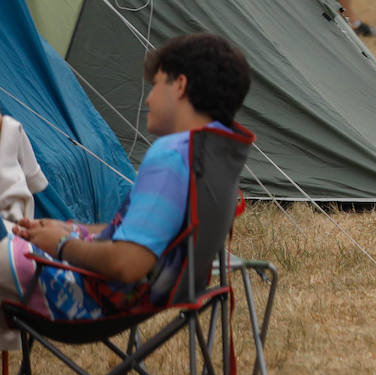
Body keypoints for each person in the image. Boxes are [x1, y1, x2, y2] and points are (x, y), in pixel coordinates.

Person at [0, 33, 250, 323]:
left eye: (156, 85)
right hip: (143, 295)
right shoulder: (211, 153)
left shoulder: (171, 156)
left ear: (180, 85)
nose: (149, 98)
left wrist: (61, 244)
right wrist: (70, 228)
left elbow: (127, 263)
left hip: (90, 296)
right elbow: (145, 236)